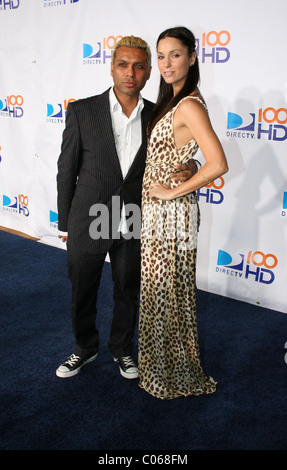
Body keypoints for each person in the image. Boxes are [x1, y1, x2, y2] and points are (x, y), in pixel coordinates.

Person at [56, 35, 198, 380]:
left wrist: (192, 167)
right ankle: (83, 349)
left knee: (128, 288)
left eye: (138, 66)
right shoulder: (82, 110)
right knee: (82, 289)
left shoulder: (160, 114)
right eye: (123, 64)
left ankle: (121, 350)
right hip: (89, 216)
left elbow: (173, 155)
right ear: (111, 67)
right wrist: (64, 223)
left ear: (149, 72)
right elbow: (66, 170)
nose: (130, 72)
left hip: (135, 215)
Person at [138, 26, 228, 399]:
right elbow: (180, 152)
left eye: (175, 54)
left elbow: (218, 163)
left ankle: (169, 374)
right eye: (161, 56)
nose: (166, 63)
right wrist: (187, 166)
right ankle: (165, 367)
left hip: (170, 214)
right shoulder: (173, 101)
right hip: (158, 211)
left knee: (164, 292)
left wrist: (175, 189)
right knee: (164, 290)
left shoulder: (189, 103)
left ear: (192, 57)